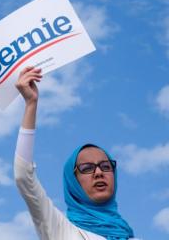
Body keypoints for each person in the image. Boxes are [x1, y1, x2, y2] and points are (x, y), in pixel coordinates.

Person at [13, 66, 135, 240]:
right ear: (73, 182)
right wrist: (31, 104)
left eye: (105, 166)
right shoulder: (62, 231)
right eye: (87, 168)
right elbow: (23, 176)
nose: (99, 173)